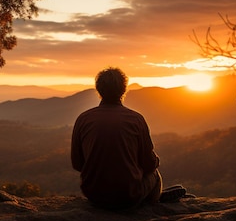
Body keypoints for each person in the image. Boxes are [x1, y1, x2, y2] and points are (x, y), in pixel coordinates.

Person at [71, 67, 186, 210]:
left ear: (98, 90)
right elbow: (149, 164)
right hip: (128, 197)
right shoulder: (135, 119)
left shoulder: (83, 119)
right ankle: (153, 201)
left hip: (94, 195)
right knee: (155, 175)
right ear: (124, 89)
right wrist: (155, 160)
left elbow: (77, 164)